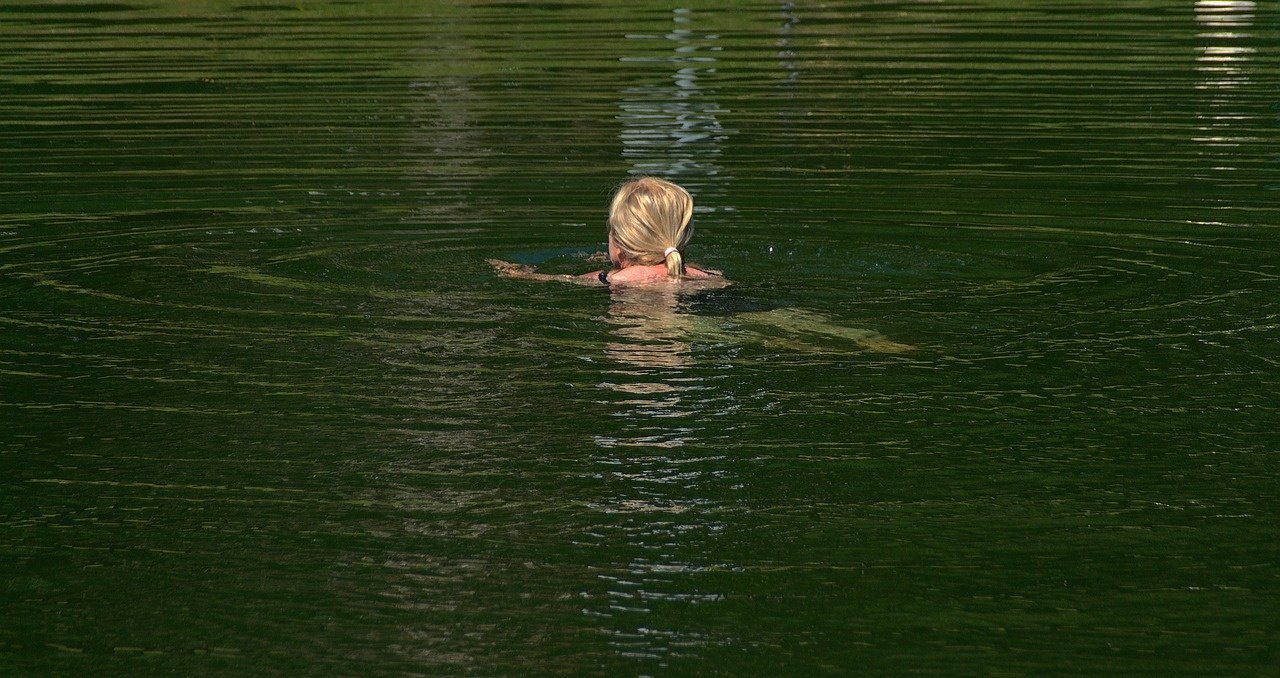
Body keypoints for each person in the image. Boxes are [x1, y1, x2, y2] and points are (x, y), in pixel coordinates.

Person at [489, 176, 725, 286]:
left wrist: (516, 272)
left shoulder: (612, 279)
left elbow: (557, 280)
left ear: (619, 242)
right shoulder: (707, 277)